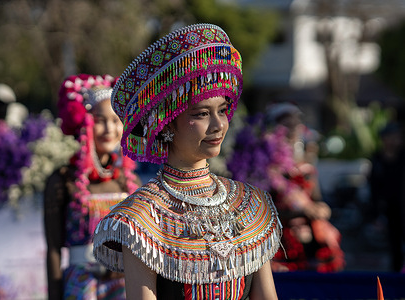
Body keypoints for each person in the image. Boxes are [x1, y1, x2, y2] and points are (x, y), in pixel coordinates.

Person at [93, 24, 281, 299]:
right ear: (166, 124)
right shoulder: (141, 219)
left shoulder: (251, 205)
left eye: (223, 111)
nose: (218, 125)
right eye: (203, 114)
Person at [44, 74, 141, 299]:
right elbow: (53, 250)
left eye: (116, 120)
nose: (109, 128)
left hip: (123, 284)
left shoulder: (130, 182)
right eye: (99, 120)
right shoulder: (62, 180)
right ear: (85, 123)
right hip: (80, 286)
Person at [264, 102, 345, 272]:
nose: (292, 129)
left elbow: (317, 199)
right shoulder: (264, 169)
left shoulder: (307, 167)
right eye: (286, 124)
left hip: (310, 240)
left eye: (296, 124)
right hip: (280, 243)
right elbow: (264, 211)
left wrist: (321, 209)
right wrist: (301, 212)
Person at [368, 122, 405, 272]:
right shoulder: (377, 159)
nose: (395, 141)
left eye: (397, 137)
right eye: (391, 137)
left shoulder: (403, 157)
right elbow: (374, 188)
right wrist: (376, 214)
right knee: (394, 245)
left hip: (403, 206)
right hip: (389, 209)